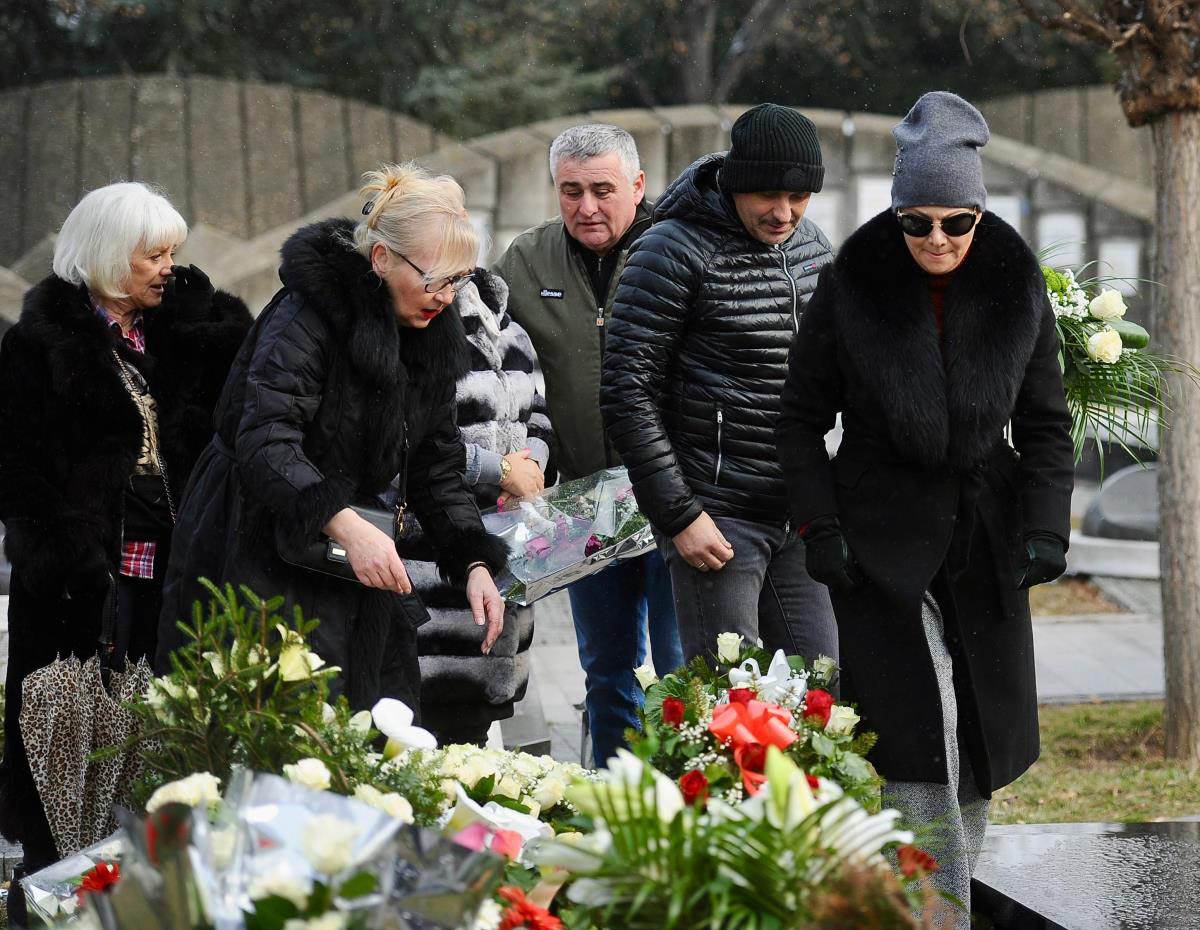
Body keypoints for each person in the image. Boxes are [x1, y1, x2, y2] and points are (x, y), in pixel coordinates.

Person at [776, 92, 1074, 924]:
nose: (937, 239)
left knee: (975, 729)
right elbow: (800, 419)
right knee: (914, 725)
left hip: (987, 530)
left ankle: (939, 898)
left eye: (956, 221)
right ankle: (935, 906)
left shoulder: (1018, 287)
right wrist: (820, 526)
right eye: (917, 222)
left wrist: (1047, 527)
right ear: (896, 214)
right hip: (877, 537)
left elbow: (1048, 422)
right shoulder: (851, 288)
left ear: (979, 212)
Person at [157, 164, 510, 715]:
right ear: (381, 259)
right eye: (435, 278)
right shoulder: (306, 314)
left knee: (372, 721)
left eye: (459, 280)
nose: (446, 297)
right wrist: (342, 519)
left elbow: (435, 460)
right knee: (275, 719)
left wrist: (473, 562)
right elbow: (266, 439)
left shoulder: (429, 327)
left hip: (350, 550)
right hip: (257, 539)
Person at [0, 181, 251, 913]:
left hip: (171, 580)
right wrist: (65, 555)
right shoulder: (36, 345)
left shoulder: (177, 334)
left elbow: (239, 400)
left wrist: (215, 320)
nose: (167, 267)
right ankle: (53, 903)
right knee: (61, 746)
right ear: (109, 257)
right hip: (76, 589)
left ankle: (141, 906)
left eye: (173, 252)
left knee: (155, 750)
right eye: (153, 254)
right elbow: (15, 469)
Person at [599, 103, 838, 668]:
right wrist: (680, 515)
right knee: (730, 709)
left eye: (799, 197)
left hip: (797, 514)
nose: (784, 213)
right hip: (718, 518)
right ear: (734, 183)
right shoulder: (670, 250)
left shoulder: (812, 248)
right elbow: (627, 391)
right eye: (767, 196)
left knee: (823, 692)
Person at [494, 124, 682, 765]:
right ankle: (613, 806)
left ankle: (688, 810)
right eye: (570, 191)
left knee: (681, 668)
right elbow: (499, 368)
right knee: (606, 670)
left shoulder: (679, 248)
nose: (587, 207)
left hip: (673, 494)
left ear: (637, 185)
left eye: (603, 190)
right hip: (582, 500)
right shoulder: (526, 260)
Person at [413, 268, 556, 746]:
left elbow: (537, 412)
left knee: (480, 720)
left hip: (506, 548)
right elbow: (418, 444)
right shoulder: (421, 322)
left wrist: (533, 464)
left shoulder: (511, 328)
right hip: (434, 556)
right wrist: (498, 469)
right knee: (427, 723)